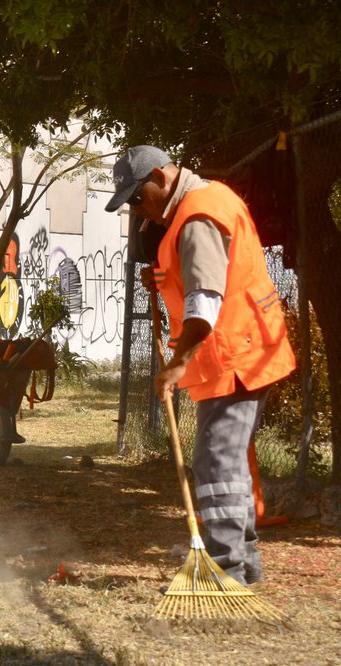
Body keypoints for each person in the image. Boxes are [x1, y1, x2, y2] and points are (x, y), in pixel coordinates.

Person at [106, 145, 296, 585]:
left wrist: (177, 363)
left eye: (137, 198)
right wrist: (164, 277)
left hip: (235, 357)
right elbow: (208, 276)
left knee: (217, 462)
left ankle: (228, 569)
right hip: (242, 351)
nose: (137, 211)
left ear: (159, 176)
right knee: (226, 461)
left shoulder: (195, 218)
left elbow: (205, 302)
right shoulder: (207, 200)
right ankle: (242, 563)